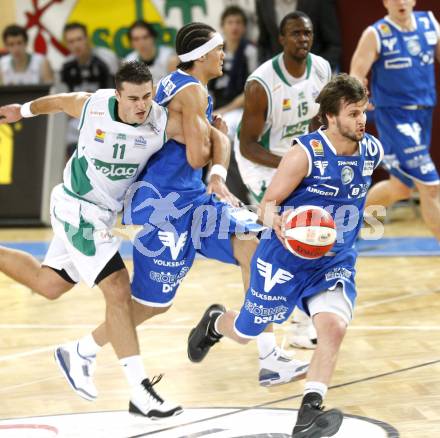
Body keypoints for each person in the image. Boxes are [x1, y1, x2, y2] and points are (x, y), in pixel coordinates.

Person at [58, 22, 309, 397]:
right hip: (163, 208)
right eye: (219, 49)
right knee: (150, 305)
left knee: (255, 246)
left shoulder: (176, 82)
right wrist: (215, 134)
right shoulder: (192, 94)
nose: (224, 54)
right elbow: (196, 156)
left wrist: (215, 149)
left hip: (192, 201)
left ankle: (270, 356)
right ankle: (81, 350)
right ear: (203, 56)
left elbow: (202, 148)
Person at [0, 61, 218, 418]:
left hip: (102, 214)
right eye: (132, 98)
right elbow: (56, 102)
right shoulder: (93, 106)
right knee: (118, 288)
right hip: (77, 207)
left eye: (147, 97)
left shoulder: (159, 120)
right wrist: (21, 110)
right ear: (118, 95)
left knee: (49, 283)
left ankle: (77, 353)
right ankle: (139, 392)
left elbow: (212, 138)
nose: (141, 106)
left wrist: (216, 158)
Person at [187, 74, 384, 437]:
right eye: (353, 113)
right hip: (285, 257)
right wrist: (286, 223)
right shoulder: (305, 153)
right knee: (247, 331)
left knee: (333, 328)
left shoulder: (372, 150)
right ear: (330, 116)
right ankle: (215, 323)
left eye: (363, 112)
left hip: (332, 260)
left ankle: (309, 412)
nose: (361, 120)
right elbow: (267, 206)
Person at [235, 11, 331, 349]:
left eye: (306, 33)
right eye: (295, 34)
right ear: (281, 39)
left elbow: (318, 119)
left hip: (295, 154)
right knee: (291, 227)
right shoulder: (261, 84)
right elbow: (247, 145)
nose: (302, 39)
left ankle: (297, 318)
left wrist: (312, 156)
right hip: (261, 159)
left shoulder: (321, 69)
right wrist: (291, 164)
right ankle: (289, 321)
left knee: (314, 228)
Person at [350, 0, 440, 240]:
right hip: (395, 117)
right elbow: (356, 73)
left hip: (423, 113)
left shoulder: (429, 23)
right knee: (431, 187)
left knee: (400, 188)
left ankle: (345, 225)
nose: (401, 2)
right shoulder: (376, 33)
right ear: (385, 2)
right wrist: (360, 97)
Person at [209, 5, 258, 203]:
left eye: (238, 23)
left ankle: (230, 189)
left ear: (245, 27)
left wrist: (223, 110)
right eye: (230, 23)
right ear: (223, 26)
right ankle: (212, 187)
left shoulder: (250, 51)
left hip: (240, 109)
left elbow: (252, 90)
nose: (234, 27)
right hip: (215, 107)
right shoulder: (214, 51)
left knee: (225, 131)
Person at [61, 22, 114, 159]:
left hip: (105, 118)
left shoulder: (106, 59)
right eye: (71, 41)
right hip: (76, 122)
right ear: (67, 44)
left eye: (79, 39)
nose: (76, 45)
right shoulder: (66, 66)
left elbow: (118, 90)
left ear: (87, 39)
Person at [255, 0, 341, 71]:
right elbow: (263, 42)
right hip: (276, 77)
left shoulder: (319, 2)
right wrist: (267, 69)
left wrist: (316, 70)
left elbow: (334, 44)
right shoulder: (262, 2)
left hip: (314, 75)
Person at [124, 20, 178, 85]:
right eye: (136, 39)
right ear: (131, 43)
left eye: (145, 37)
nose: (141, 43)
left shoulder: (170, 58)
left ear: (153, 38)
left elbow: (178, 88)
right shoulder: (129, 62)